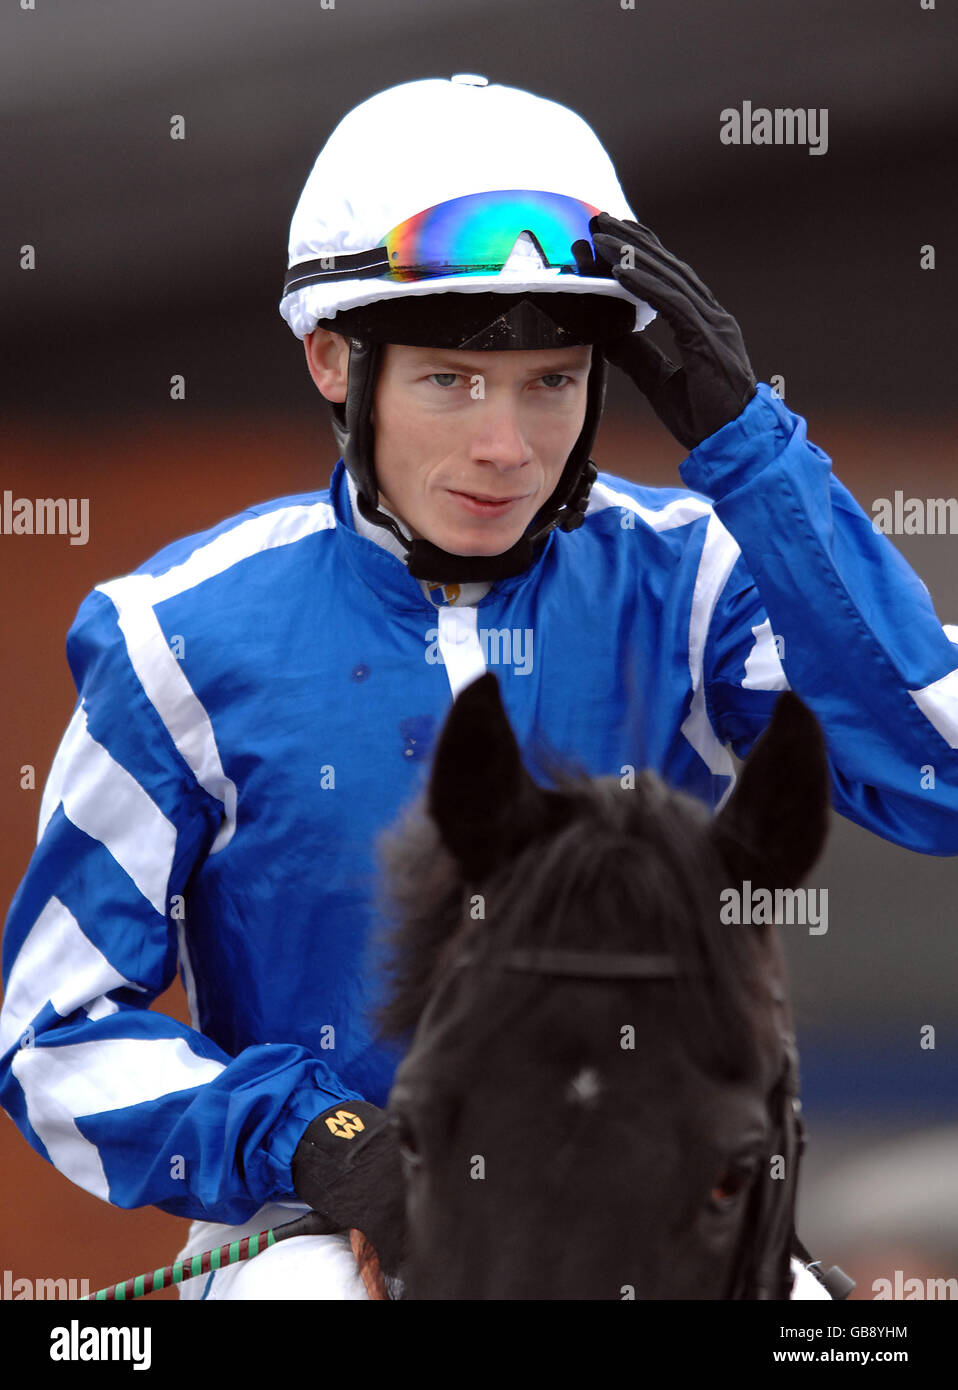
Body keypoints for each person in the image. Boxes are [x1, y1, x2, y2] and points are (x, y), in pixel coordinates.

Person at [1, 75, 956, 1303]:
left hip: (666, 1221)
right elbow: (52, 1036)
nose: (505, 444)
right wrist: (317, 1141)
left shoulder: (700, 578)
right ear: (335, 361)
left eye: (552, 381)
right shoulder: (172, 635)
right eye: (451, 380)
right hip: (324, 1240)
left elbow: (937, 777)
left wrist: (751, 449)